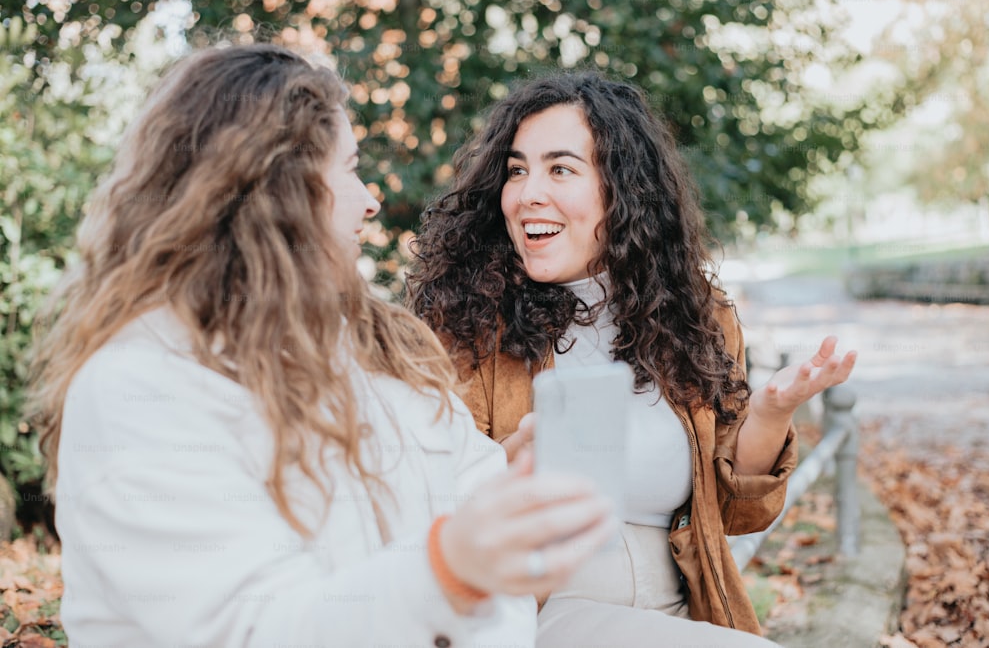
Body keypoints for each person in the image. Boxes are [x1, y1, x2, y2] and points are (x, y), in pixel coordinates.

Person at [26, 45, 617, 648]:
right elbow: (249, 630)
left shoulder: (372, 352)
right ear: (278, 189)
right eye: (350, 168)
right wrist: (449, 570)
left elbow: (470, 517)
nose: (370, 200)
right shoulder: (142, 387)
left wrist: (510, 484)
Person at [407, 72, 857, 646]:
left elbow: (738, 516)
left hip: (683, 615)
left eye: (561, 168)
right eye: (517, 170)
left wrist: (772, 411)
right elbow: (416, 510)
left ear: (623, 189)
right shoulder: (464, 329)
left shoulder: (698, 315)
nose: (526, 194)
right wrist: (501, 468)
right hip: (536, 617)